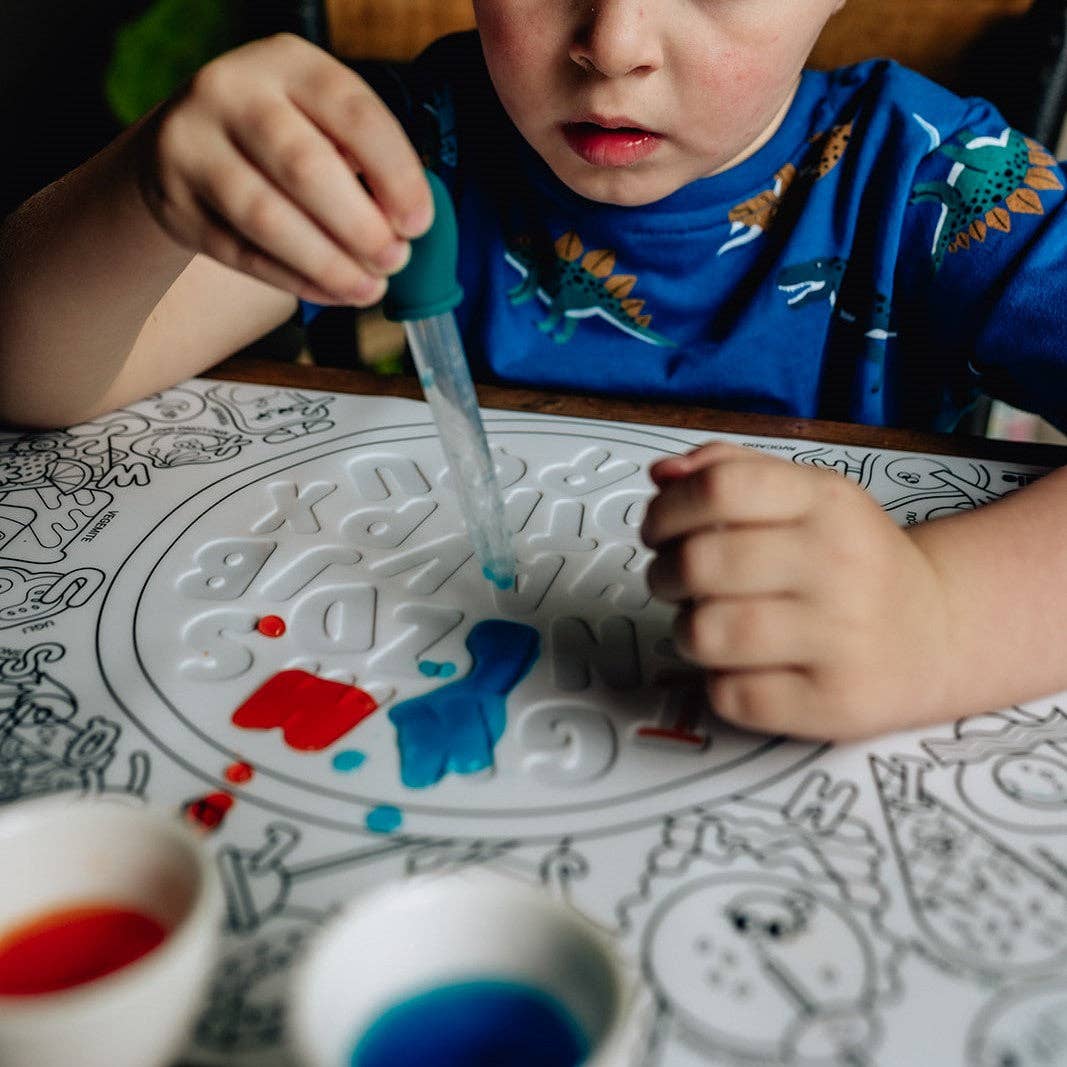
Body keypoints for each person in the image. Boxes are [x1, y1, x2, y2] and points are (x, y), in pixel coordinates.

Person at [1, 0, 1065, 741]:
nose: (612, 44)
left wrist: (939, 620)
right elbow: (33, 374)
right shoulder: (421, 145)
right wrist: (143, 197)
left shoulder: (939, 182)